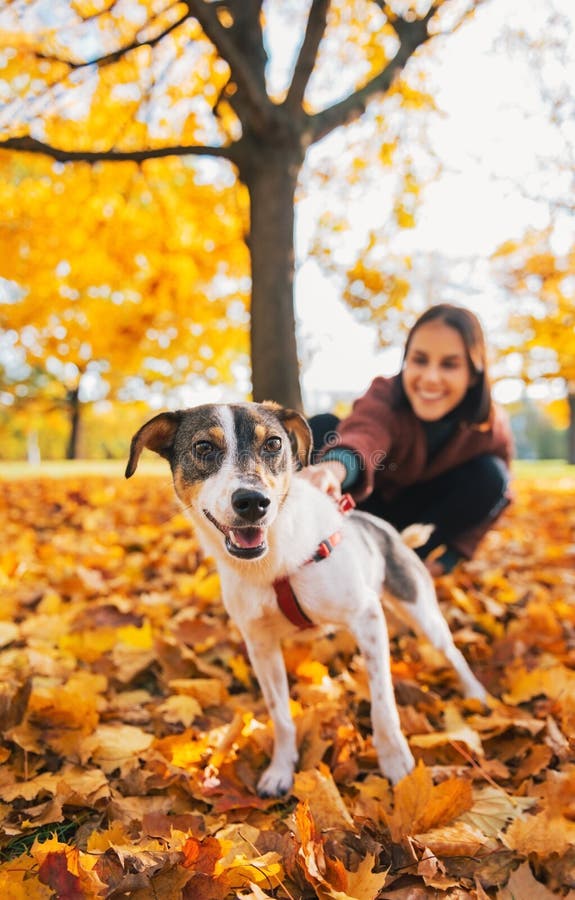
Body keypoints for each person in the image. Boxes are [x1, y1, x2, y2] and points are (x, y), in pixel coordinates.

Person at [301, 303, 514, 576]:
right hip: (362, 511)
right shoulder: (386, 395)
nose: (430, 378)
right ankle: (312, 551)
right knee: (323, 427)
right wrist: (333, 470)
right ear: (406, 360)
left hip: (419, 529)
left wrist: (448, 560)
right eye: (420, 360)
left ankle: (403, 571)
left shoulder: (489, 428)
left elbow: (500, 497)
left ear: (473, 373)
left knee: (492, 474)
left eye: (449, 364)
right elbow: (366, 433)